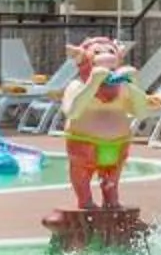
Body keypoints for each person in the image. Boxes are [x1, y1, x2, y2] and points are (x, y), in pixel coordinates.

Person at [61, 36, 153, 212]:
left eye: (111, 52)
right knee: (82, 177)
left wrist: (135, 85)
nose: (106, 56)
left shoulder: (122, 87)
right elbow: (72, 112)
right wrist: (92, 84)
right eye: (97, 52)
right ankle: (85, 201)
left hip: (117, 146)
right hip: (84, 144)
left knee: (111, 181)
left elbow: (141, 112)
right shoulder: (77, 86)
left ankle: (112, 201)